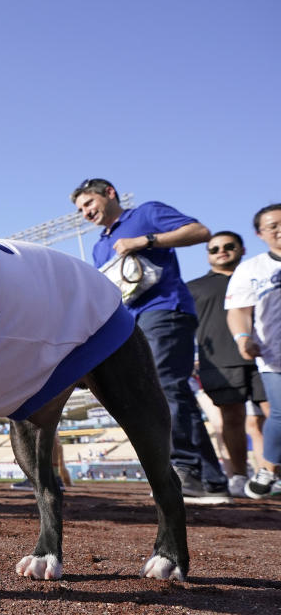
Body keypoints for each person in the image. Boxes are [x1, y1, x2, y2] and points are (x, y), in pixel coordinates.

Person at [71, 179, 229, 504]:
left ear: (109, 194)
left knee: (168, 386)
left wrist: (144, 240)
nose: (85, 212)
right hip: (131, 320)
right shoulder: (101, 245)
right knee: (160, 390)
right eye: (80, 210)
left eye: (88, 203)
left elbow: (200, 232)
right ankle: (210, 479)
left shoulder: (146, 213)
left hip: (165, 309)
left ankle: (187, 469)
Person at [188, 231, 268, 497]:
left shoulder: (260, 278)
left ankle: (270, 474)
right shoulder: (194, 287)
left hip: (265, 356)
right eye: (214, 249)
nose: (221, 251)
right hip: (219, 362)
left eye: (228, 246)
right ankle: (238, 475)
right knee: (231, 420)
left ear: (242, 249)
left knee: (273, 416)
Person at [226, 204, 281, 499]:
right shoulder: (252, 269)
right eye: (272, 225)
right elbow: (238, 311)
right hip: (275, 357)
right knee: (279, 414)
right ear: (260, 234)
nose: (279, 229)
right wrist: (243, 338)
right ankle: (268, 469)